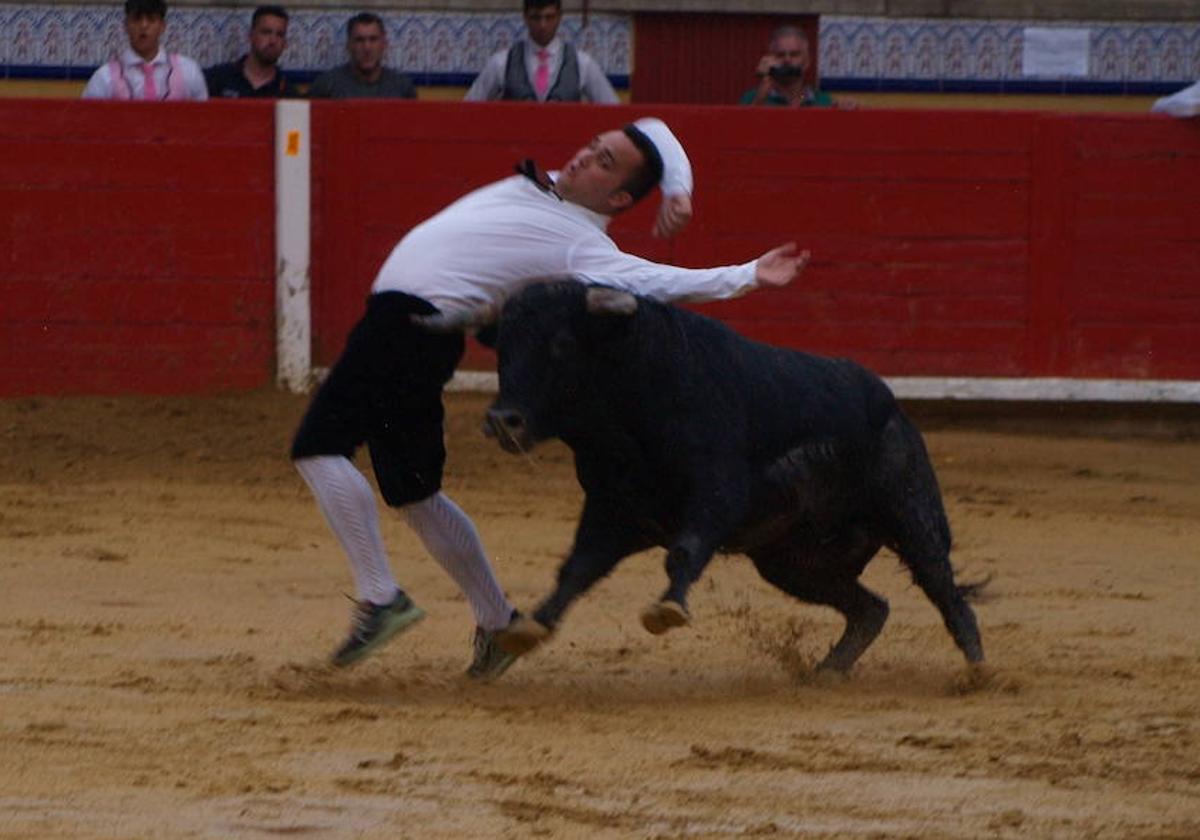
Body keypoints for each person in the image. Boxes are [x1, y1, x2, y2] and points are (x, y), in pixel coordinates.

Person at [290, 117, 809, 683]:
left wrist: (748, 275)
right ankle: (497, 623)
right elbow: (654, 129)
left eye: (604, 163)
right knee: (416, 493)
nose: (585, 157)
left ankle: (378, 595)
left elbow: (661, 282)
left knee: (318, 448)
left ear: (616, 197)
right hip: (422, 332)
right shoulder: (550, 188)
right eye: (593, 147)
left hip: (404, 326)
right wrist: (678, 187)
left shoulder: (581, 245)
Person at [464, 0, 618, 103]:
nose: (543, 25)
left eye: (549, 17)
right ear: (525, 17)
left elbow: (612, 110)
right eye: (536, 18)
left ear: (559, 17)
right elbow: (468, 109)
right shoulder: (501, 63)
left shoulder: (583, 63)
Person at [82, 0, 207, 100]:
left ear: (162, 26)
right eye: (136, 19)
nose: (143, 26)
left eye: (151, 19)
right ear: (126, 26)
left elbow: (204, 120)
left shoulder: (189, 71)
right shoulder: (104, 77)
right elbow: (88, 122)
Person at [307, 13, 416, 99]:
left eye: (373, 39)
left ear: (384, 44)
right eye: (359, 40)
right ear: (349, 45)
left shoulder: (402, 88)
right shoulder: (327, 86)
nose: (367, 48)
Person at [205, 5, 294, 98]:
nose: (273, 41)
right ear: (251, 36)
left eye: (279, 35)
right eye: (266, 32)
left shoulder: (288, 93)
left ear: (285, 43)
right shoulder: (218, 78)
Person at [740, 26, 836, 108]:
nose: (787, 60)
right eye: (780, 55)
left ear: (807, 61)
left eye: (794, 54)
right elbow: (742, 128)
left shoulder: (823, 101)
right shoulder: (752, 98)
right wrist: (760, 99)